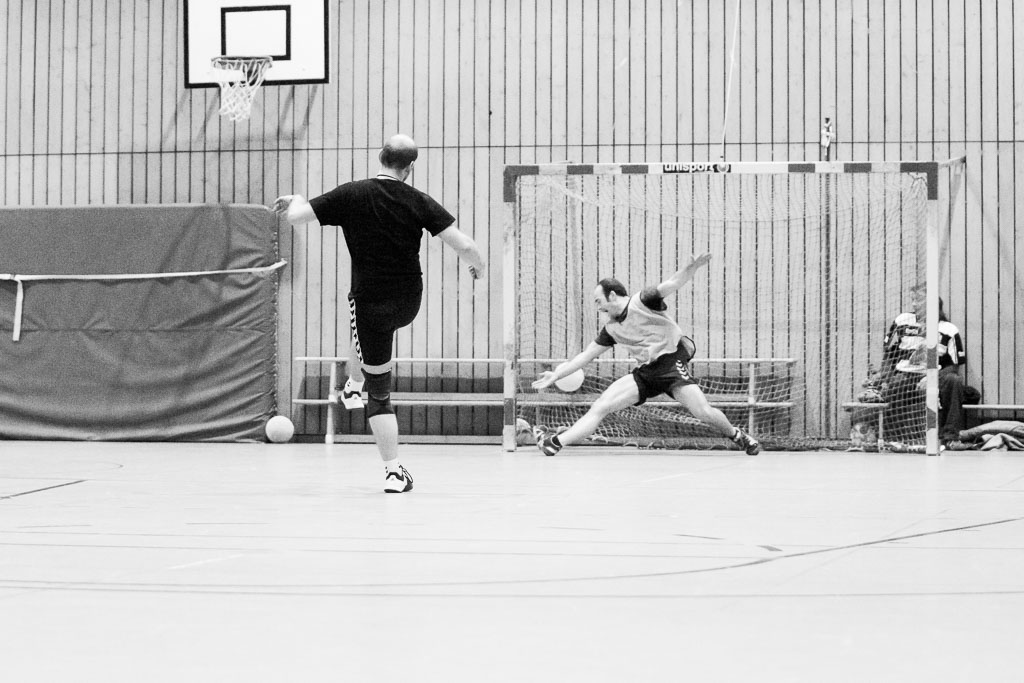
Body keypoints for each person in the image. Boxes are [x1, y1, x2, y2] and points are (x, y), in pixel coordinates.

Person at [273, 134, 486, 493]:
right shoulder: (419, 200)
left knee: (379, 390)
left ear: (380, 157)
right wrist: (478, 267)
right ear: (409, 168)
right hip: (408, 302)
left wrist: (296, 198)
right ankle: (353, 386)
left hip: (370, 302)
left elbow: (295, 217)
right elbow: (465, 245)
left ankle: (393, 471)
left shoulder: (351, 193)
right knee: (368, 338)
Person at [531, 253, 761, 456]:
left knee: (703, 412)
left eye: (599, 301)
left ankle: (737, 435)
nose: (598, 307)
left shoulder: (642, 300)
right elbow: (586, 355)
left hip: (670, 365)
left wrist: (690, 268)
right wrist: (557, 375)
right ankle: (555, 443)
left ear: (612, 295)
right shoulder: (611, 329)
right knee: (601, 406)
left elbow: (673, 283)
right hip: (646, 373)